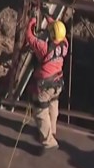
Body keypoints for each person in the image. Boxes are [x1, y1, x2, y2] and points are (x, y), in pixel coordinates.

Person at [25, 13, 69, 150]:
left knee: (40, 111)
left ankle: (48, 141)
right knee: (53, 104)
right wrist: (49, 18)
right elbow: (56, 29)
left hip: (45, 85)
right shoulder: (65, 44)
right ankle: (52, 130)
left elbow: (30, 37)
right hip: (57, 82)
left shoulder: (45, 48)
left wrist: (31, 22)